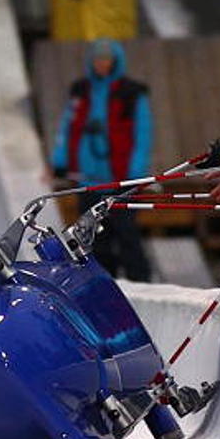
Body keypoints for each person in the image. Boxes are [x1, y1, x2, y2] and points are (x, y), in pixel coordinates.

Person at [49, 38, 152, 281]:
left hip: (120, 179)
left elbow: (143, 132)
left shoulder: (132, 93)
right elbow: (67, 126)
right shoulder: (81, 91)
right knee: (94, 238)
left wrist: (135, 170)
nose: (102, 64)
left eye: (107, 59)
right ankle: (103, 282)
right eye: (98, 59)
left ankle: (141, 282)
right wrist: (60, 160)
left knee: (127, 235)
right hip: (88, 179)